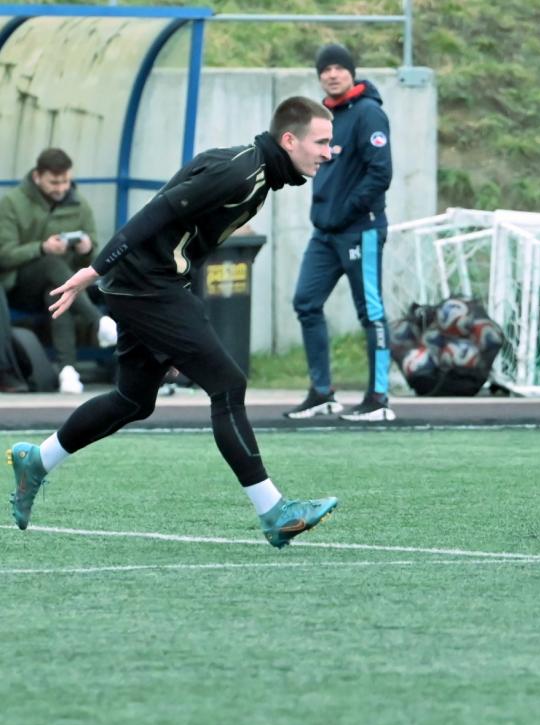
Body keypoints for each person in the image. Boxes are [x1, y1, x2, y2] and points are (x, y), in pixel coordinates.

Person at [6, 97, 339, 548]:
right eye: (321, 142)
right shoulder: (241, 172)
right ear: (289, 140)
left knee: (133, 400)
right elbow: (157, 211)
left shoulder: (256, 171)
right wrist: (95, 269)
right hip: (144, 286)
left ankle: (37, 460)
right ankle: (274, 512)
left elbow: (187, 234)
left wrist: (183, 314)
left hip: (153, 285)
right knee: (228, 384)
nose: (328, 152)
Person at [286, 43, 395, 422]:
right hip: (325, 233)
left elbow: (380, 173)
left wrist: (348, 210)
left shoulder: (369, 113)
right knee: (305, 302)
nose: (331, 74)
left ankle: (378, 398)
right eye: (325, 69)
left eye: (338, 68)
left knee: (371, 313)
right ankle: (322, 393)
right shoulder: (324, 118)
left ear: (351, 71)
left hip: (360, 230)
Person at [0, 148, 118, 393]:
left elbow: (94, 258)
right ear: (37, 177)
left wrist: (86, 249)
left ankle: (68, 371)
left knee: (58, 291)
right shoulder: (12, 203)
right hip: (19, 284)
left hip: (64, 284)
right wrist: (42, 248)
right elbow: (5, 255)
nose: (61, 188)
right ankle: (98, 321)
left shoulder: (80, 205)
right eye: (54, 182)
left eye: (65, 181)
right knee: (52, 264)